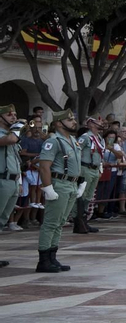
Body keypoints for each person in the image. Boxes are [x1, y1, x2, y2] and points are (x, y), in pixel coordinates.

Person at [35, 111, 83, 272]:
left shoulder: (73, 140)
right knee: (51, 223)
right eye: (69, 120)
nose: (73, 122)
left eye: (73, 119)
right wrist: (48, 188)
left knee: (61, 223)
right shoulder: (53, 141)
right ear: (57, 124)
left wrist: (80, 182)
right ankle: (43, 260)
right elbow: (44, 166)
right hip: (59, 183)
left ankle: (52, 256)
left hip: (71, 184)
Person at [0, 106, 23, 268]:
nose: (13, 117)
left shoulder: (12, 134)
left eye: (15, 114)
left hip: (13, 180)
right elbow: (10, 140)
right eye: (9, 115)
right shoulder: (8, 135)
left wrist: (19, 182)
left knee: (2, 221)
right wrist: (17, 127)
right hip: (2, 180)